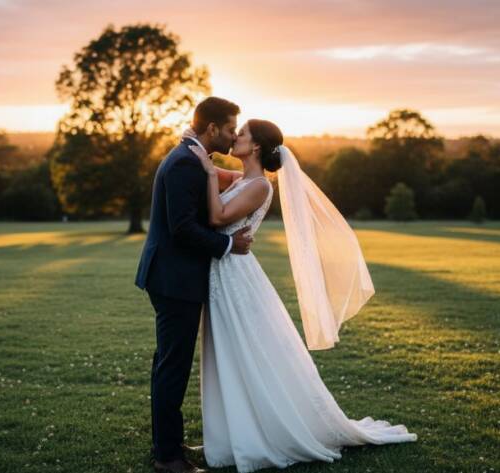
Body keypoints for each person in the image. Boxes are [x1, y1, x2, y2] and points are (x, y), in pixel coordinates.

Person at [186, 119, 418, 473]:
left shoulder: (260, 186)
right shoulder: (243, 179)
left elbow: (217, 217)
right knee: (230, 355)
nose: (235, 137)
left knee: (246, 352)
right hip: (224, 272)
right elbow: (220, 175)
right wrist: (199, 152)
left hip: (235, 276)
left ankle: (266, 430)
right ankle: (233, 430)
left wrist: (205, 172)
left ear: (258, 147)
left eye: (243, 133)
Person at [134, 97, 253, 473]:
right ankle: (168, 458)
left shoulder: (191, 157)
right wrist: (230, 244)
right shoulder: (186, 162)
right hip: (175, 279)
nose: (234, 135)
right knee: (173, 365)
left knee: (169, 363)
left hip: (172, 276)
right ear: (212, 128)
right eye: (231, 128)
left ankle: (167, 443)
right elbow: (182, 228)